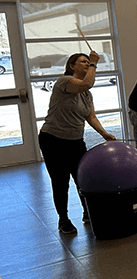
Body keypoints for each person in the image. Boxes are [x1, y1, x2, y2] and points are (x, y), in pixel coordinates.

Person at [38, 51, 116, 234]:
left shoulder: (86, 94)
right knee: (60, 181)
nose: (88, 64)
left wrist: (104, 133)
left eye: (89, 62)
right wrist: (96, 63)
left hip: (75, 141)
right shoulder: (64, 82)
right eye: (83, 62)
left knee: (82, 178)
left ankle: (88, 212)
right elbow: (86, 83)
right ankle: (63, 220)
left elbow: (91, 116)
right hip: (53, 140)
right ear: (72, 66)